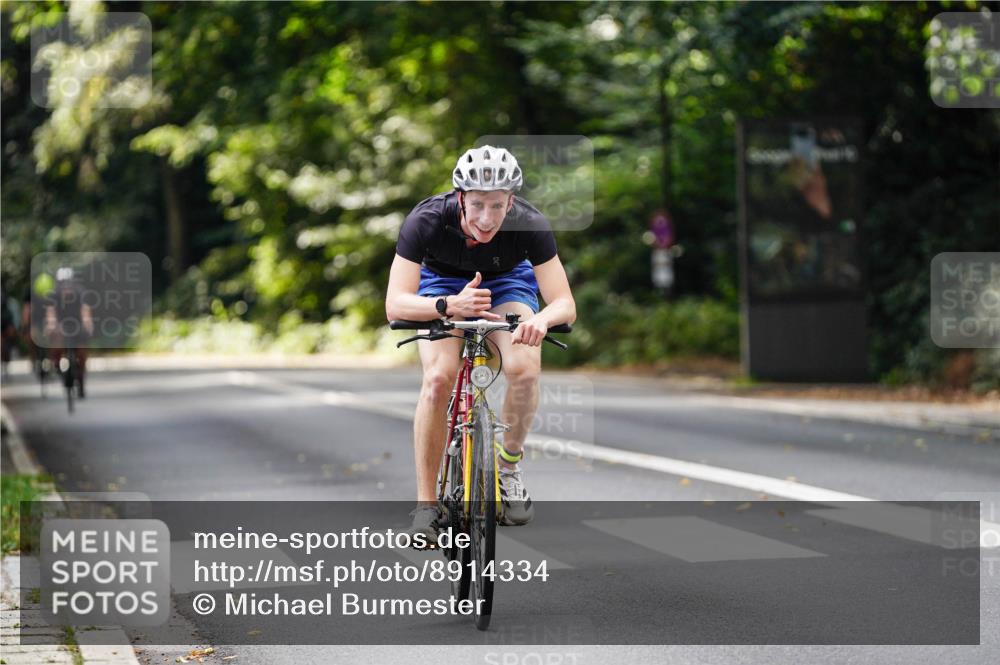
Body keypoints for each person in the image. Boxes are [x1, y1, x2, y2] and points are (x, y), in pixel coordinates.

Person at [385, 145, 576, 541]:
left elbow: (564, 304)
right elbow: (395, 303)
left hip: (506, 283)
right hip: (441, 287)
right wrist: (447, 304)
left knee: (524, 368)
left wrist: (540, 320)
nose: (486, 219)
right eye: (476, 206)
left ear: (512, 201)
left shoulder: (530, 223)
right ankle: (426, 507)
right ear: (460, 198)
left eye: (497, 206)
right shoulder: (426, 220)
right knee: (439, 378)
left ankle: (508, 468)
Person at [43, 267, 93, 397]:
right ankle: (59, 369)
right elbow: (51, 311)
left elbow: (85, 310)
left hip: (77, 324)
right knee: (56, 347)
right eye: (62, 283)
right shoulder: (53, 294)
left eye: (68, 283)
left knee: (81, 352)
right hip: (61, 325)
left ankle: (81, 379)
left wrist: (87, 324)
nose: (65, 286)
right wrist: (52, 325)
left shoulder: (80, 292)